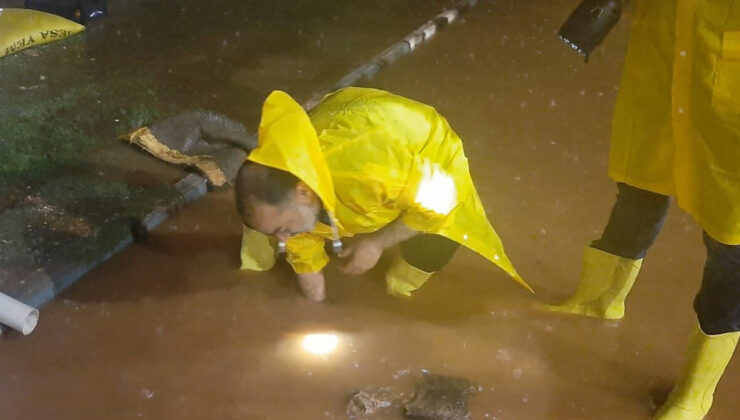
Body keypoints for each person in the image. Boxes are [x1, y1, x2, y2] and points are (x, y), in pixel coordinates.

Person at [549, 1, 740, 419]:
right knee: (639, 187)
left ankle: (694, 393)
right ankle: (601, 299)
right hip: (665, 62)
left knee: (731, 244)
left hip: (729, 94)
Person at [234, 87, 533, 301]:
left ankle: (402, 285)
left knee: (435, 242)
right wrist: (310, 282)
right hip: (348, 118)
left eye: (283, 230)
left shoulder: (383, 174)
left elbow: (441, 206)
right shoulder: (284, 171)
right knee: (279, 230)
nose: (284, 239)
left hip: (416, 145)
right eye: (278, 232)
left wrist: (377, 243)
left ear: (303, 191)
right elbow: (298, 239)